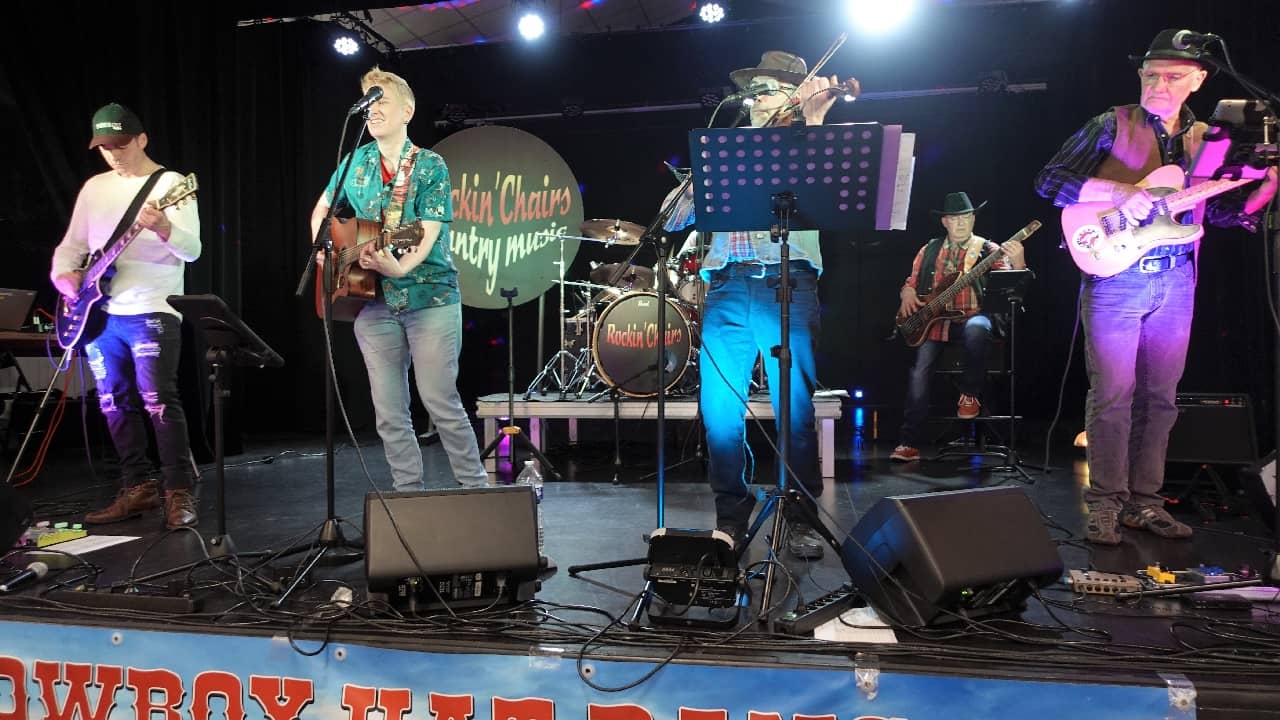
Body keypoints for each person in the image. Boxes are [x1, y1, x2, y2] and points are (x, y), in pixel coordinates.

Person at [1034, 29, 1277, 544]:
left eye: (1171, 76)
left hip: (1177, 280)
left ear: (1199, 79)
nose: (1158, 85)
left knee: (1161, 400)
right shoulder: (1111, 123)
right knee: (1114, 396)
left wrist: (1265, 190)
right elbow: (1051, 181)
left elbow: (1227, 212)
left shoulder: (1210, 139)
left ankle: (1145, 503)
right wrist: (1124, 192)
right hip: (1115, 275)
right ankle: (1105, 503)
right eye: (1150, 75)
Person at [694, 51, 847, 559]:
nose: (758, 93)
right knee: (718, 412)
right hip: (727, 286)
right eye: (754, 85)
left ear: (793, 93)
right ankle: (729, 518)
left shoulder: (806, 142)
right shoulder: (727, 149)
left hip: (788, 282)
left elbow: (832, 190)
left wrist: (816, 118)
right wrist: (689, 188)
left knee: (794, 409)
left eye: (770, 85)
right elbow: (679, 216)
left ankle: (801, 518)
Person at [309, 67, 489, 491]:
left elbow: (427, 231)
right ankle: (409, 496)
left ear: (407, 110)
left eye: (382, 101)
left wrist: (401, 267)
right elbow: (322, 211)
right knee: (389, 410)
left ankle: (477, 490)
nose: (373, 110)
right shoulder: (353, 163)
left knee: (439, 400)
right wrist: (323, 251)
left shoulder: (429, 165)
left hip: (431, 299)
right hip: (370, 302)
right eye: (368, 103)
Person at [51, 102, 201, 529]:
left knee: (158, 401)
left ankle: (178, 492)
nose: (114, 154)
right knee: (112, 402)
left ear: (141, 139)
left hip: (153, 306)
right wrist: (65, 278)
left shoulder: (171, 184)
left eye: (120, 144)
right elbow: (70, 247)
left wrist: (164, 227)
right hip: (101, 313)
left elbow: (192, 250)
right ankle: (137, 488)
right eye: (105, 147)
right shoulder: (94, 188)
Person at [890, 192, 1026, 463]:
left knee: (977, 326)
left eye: (966, 217)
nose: (961, 223)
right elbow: (912, 281)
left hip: (974, 319)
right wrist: (906, 291)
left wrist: (1019, 261)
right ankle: (908, 442)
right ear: (944, 222)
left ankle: (969, 395)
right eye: (955, 218)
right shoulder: (928, 249)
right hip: (935, 324)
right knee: (919, 373)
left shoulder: (988, 250)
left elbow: (1014, 286)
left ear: (973, 218)